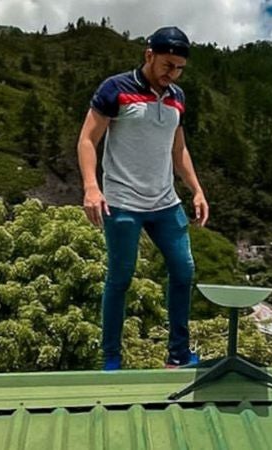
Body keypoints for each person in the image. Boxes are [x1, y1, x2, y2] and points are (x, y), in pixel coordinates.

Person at [77, 26, 208, 370]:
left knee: (184, 270)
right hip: (122, 203)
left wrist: (196, 189)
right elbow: (88, 140)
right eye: (167, 64)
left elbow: (178, 150)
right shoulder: (115, 89)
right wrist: (92, 187)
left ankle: (178, 355)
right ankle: (111, 360)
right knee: (120, 277)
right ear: (148, 54)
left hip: (165, 203)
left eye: (179, 68)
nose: (172, 73)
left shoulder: (177, 96)